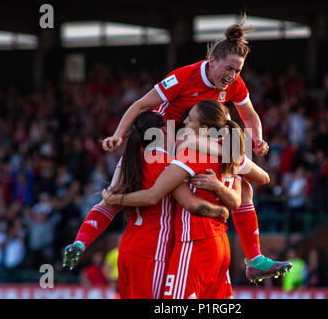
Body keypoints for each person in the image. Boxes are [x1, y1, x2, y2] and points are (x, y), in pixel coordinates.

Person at [97, 19, 290, 281]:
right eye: (230, 68)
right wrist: (119, 135)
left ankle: (254, 259)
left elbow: (250, 115)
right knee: (139, 190)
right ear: (212, 61)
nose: (233, 76)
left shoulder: (233, 84)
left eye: (238, 70)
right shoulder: (183, 77)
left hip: (199, 141)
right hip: (165, 140)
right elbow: (140, 105)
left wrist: (258, 138)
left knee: (245, 187)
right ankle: (93, 229)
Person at [63, 111, 229, 299]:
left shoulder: (129, 161)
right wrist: (220, 210)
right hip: (152, 253)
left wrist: (80, 241)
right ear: (163, 131)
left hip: (127, 250)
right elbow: (189, 203)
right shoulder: (165, 163)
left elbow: (105, 208)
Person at [101, 100, 246, 298]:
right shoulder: (230, 153)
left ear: (204, 128)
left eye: (190, 118)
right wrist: (220, 190)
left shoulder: (191, 153)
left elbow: (154, 195)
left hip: (194, 243)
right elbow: (261, 179)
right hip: (220, 243)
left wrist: (114, 199)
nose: (184, 122)